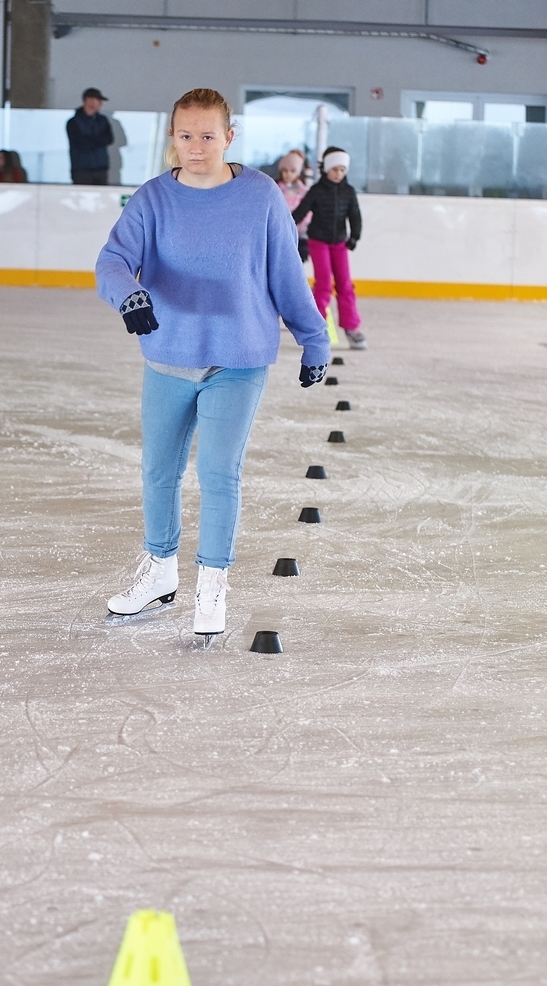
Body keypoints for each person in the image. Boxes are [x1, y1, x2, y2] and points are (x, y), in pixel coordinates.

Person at [95, 88, 329, 640]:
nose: (195, 147)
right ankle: (158, 572)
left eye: (206, 136)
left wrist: (314, 340)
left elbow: (285, 276)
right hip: (168, 357)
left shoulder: (260, 195)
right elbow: (112, 261)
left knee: (219, 474)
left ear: (229, 137)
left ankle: (212, 582)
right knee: (158, 472)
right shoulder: (151, 199)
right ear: (171, 137)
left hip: (238, 359)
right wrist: (127, 296)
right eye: (184, 135)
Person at [290, 146, 367, 349]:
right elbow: (301, 212)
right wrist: (286, 227)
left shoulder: (348, 192)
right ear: (326, 169)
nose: (338, 174)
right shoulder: (316, 191)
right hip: (319, 242)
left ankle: (352, 327)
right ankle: (317, 328)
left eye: (342, 170)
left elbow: (355, 215)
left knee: (345, 284)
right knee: (323, 284)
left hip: (339, 243)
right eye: (335, 170)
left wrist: (355, 236)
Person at [66, 88, 114, 186]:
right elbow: (81, 143)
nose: (101, 104)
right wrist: (98, 140)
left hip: (101, 169)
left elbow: (109, 139)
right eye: (98, 100)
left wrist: (91, 139)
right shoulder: (74, 122)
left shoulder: (102, 120)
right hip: (81, 169)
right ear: (89, 101)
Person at [277, 149, 312, 263]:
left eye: (293, 171)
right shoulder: (275, 188)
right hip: (279, 234)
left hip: (299, 235)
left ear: (298, 172)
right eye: (285, 170)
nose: (288, 174)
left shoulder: (304, 191)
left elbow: (307, 214)